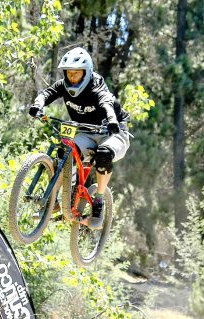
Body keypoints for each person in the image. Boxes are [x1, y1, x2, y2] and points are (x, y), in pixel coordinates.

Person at [28, 47, 130, 229]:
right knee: (64, 153)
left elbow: (106, 103)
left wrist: (112, 119)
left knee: (104, 154)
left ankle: (98, 200)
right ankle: (55, 200)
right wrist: (38, 105)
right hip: (86, 132)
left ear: (87, 72)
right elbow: (47, 93)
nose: (72, 77)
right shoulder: (63, 85)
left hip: (113, 131)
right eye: (69, 74)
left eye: (76, 74)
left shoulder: (96, 86)